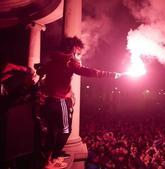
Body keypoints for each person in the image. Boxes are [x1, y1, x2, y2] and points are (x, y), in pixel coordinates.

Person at [36, 36, 121, 169]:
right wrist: (112, 74)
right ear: (74, 49)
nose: (79, 56)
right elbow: (89, 72)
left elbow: (44, 73)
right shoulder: (69, 61)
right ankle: (52, 158)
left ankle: (47, 157)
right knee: (65, 131)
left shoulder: (52, 60)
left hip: (49, 101)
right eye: (79, 52)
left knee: (53, 130)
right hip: (60, 102)